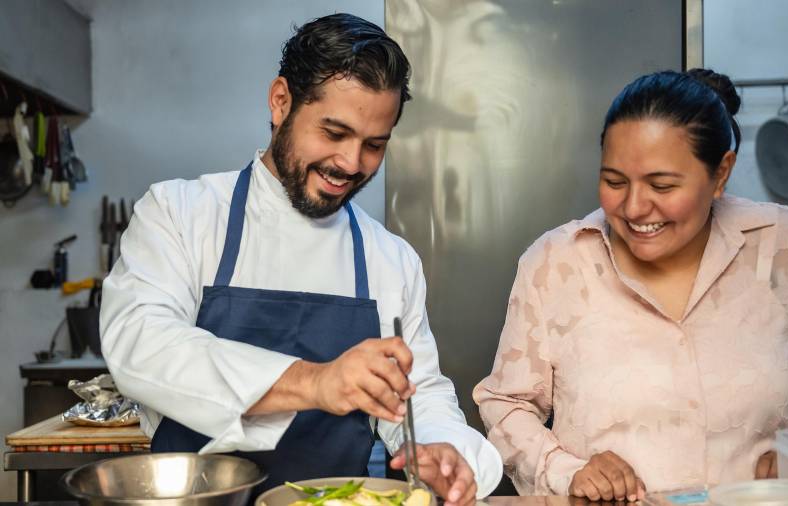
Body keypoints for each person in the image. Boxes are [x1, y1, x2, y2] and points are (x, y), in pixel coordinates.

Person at [100, 13, 501, 503]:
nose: (351, 164)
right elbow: (142, 345)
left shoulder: (389, 258)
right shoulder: (181, 214)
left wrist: (442, 445)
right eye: (334, 133)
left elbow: (420, 391)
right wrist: (315, 382)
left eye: (374, 145)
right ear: (280, 101)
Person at [473, 69, 788, 503]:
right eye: (614, 181)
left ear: (721, 174)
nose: (635, 207)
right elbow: (506, 404)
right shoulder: (556, 261)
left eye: (662, 185)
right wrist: (570, 471)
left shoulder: (783, 243)